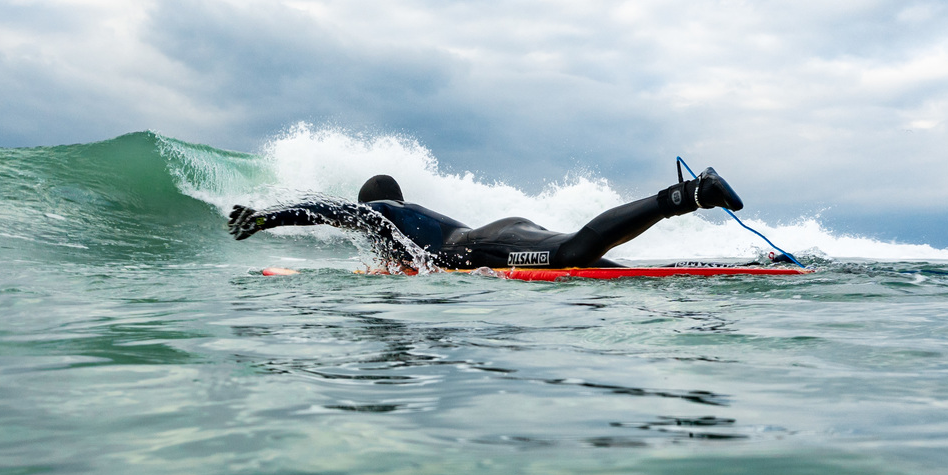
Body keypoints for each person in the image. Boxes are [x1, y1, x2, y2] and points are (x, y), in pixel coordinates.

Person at [226, 166, 744, 271]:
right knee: (581, 256)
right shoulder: (409, 220)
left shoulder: (379, 213)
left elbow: (326, 210)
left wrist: (265, 219)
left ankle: (688, 195)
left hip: (480, 248)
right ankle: (732, 262)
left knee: (572, 254)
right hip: (498, 229)